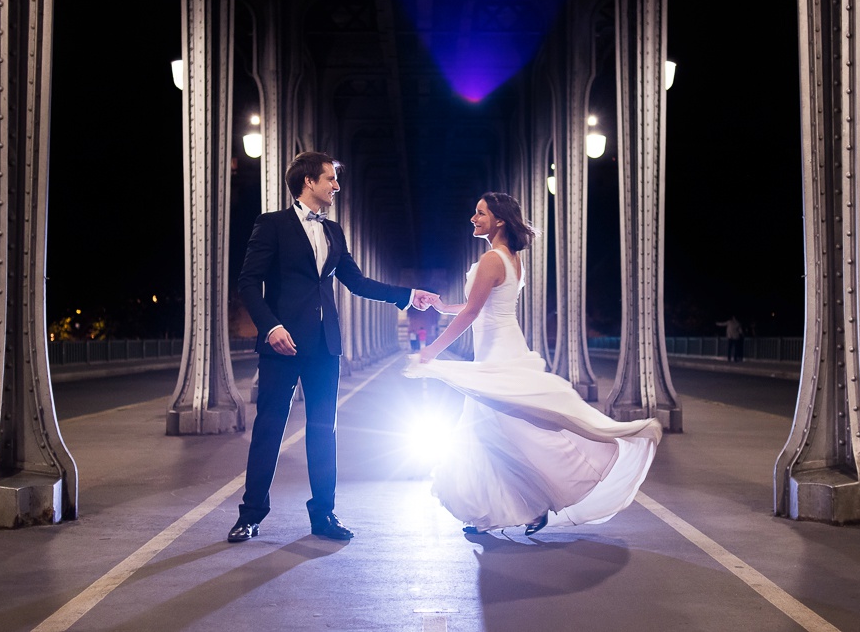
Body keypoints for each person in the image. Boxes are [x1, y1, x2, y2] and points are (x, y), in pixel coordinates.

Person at [405, 192, 662, 536]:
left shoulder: (492, 260)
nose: (473, 218)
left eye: (480, 213)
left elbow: (473, 312)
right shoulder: (510, 259)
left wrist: (432, 350)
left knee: (516, 434)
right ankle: (495, 511)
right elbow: (479, 307)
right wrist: (443, 308)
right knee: (489, 434)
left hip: (499, 358)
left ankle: (538, 501)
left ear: (498, 220)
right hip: (504, 348)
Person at [232, 151, 437, 542]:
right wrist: (270, 326)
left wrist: (408, 295)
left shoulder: (334, 232)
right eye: (330, 179)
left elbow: (357, 283)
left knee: (323, 431)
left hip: (325, 347)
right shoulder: (272, 225)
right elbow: (247, 282)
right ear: (309, 182)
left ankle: (323, 516)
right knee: (270, 429)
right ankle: (251, 514)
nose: (336, 186)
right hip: (282, 344)